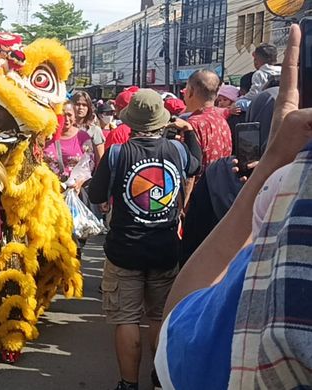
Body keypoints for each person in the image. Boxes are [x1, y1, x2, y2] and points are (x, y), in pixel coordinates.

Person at [156, 24, 312, 388]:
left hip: (219, 211)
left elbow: (181, 334)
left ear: (193, 91)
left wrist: (273, 176)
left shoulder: (189, 127)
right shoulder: (223, 124)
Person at [87, 89, 202, 390]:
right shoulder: (177, 151)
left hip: (124, 248)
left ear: (131, 121)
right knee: (158, 316)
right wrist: (188, 133)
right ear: (162, 122)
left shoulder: (116, 154)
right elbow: (196, 165)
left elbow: (96, 195)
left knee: (126, 318)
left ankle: (128, 384)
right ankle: (159, 379)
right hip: (165, 247)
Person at [183, 70, 233, 175]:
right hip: (220, 185)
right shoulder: (222, 121)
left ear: (191, 91)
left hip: (199, 188)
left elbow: (189, 169)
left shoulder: (192, 125)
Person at [44, 101, 95, 190]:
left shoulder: (82, 137)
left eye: (69, 115)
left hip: (73, 190)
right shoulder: (47, 136)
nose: (66, 119)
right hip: (48, 189)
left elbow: (90, 163)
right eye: (63, 115)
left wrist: (79, 182)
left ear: (75, 117)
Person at [71, 91, 106, 164]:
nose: (81, 108)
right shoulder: (66, 129)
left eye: (84, 105)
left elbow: (100, 160)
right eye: (77, 104)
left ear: (88, 108)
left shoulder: (94, 130)